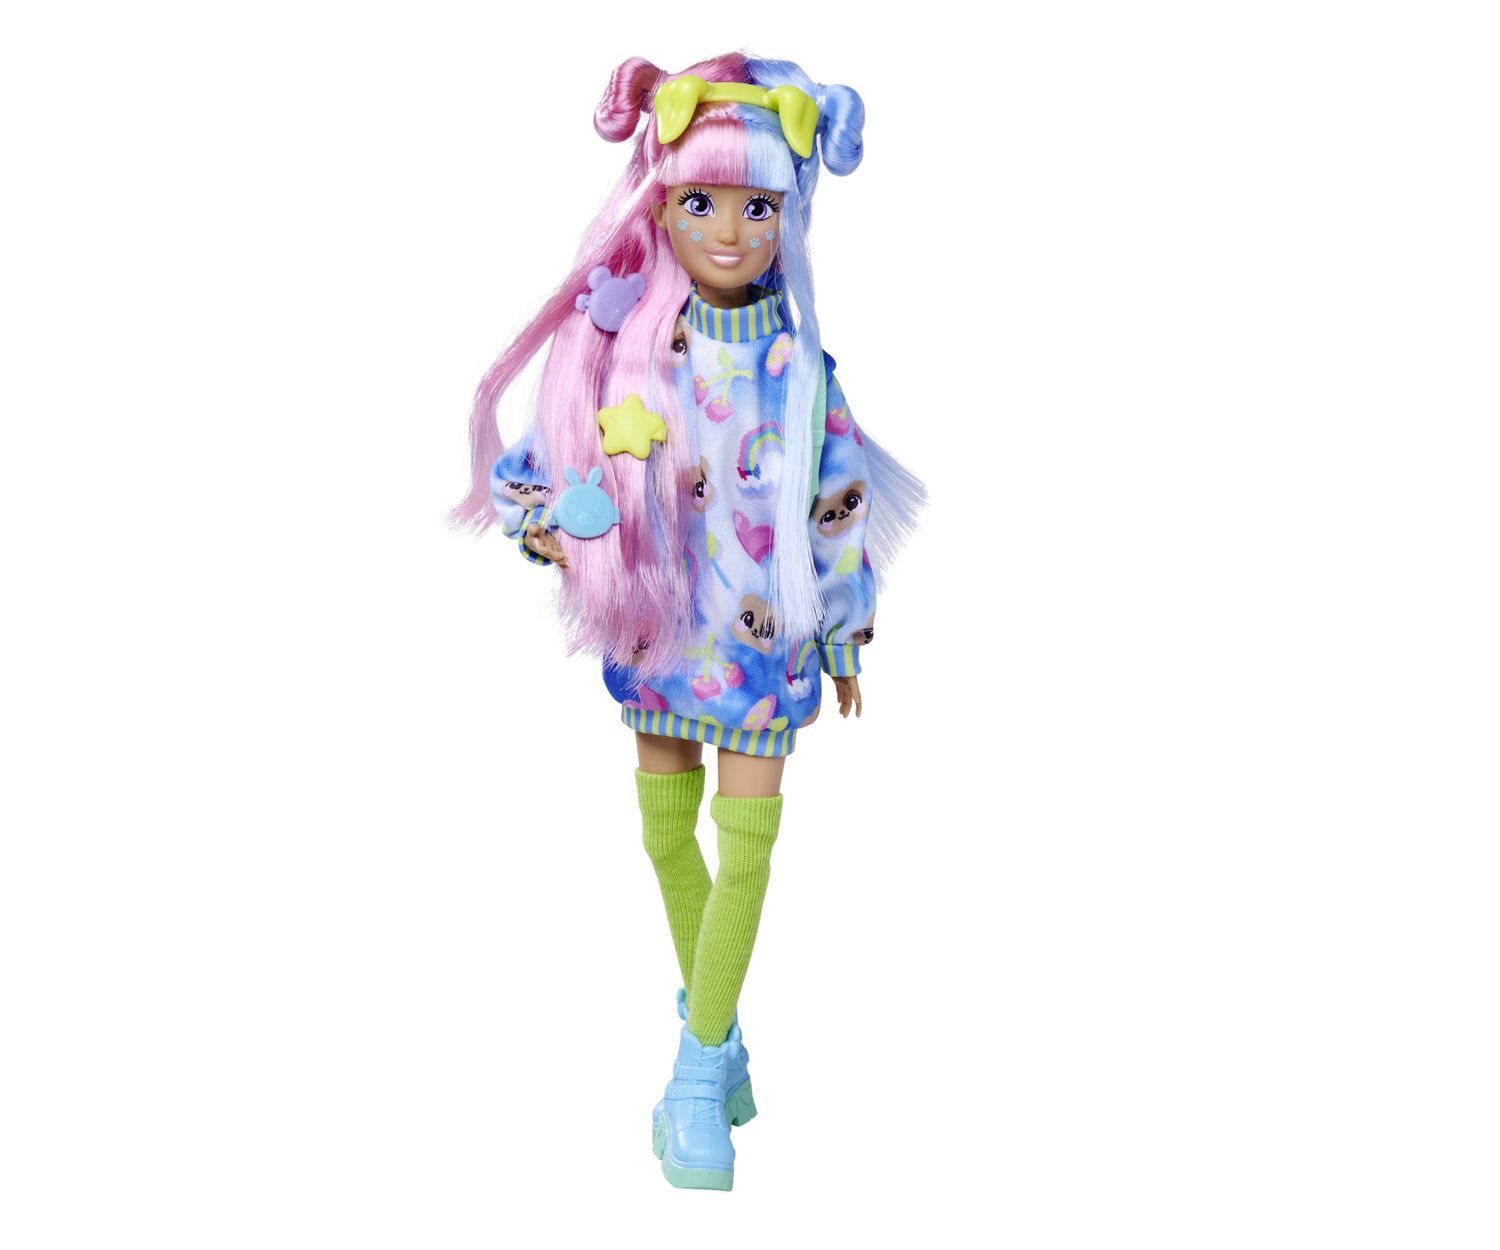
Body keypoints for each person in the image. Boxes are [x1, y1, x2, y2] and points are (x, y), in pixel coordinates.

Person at [452, 53, 923, 1190]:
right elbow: (537, 469)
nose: (727, 229)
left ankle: (697, 1074)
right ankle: (722, 1035)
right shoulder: (622, 352)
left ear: (790, 217)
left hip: (766, 639)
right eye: (699, 200)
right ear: (659, 203)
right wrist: (555, 532)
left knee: (748, 841)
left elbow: (838, 500)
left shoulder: (801, 369)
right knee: (667, 836)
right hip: (660, 630)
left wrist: (843, 630)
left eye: (758, 207)